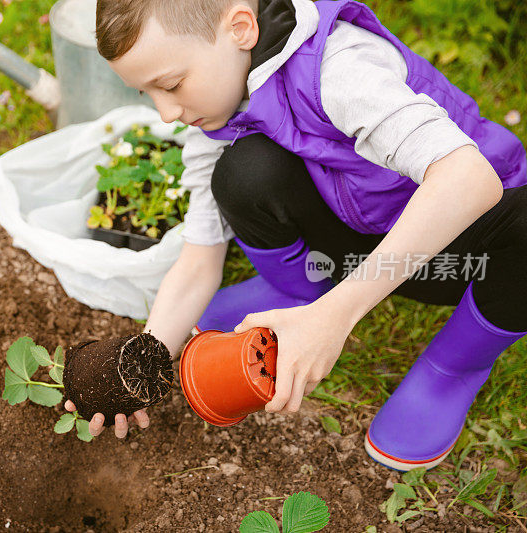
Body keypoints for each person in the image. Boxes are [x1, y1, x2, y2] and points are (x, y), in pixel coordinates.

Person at [65, 0, 527, 471]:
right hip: (357, 236)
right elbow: (200, 257)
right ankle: (296, 290)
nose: (165, 113)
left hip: (459, 248)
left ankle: (451, 369)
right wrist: (146, 357)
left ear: (241, 29)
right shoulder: (215, 110)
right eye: (148, 94)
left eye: (171, 85)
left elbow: (470, 180)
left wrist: (334, 317)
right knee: (242, 172)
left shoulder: (338, 67)